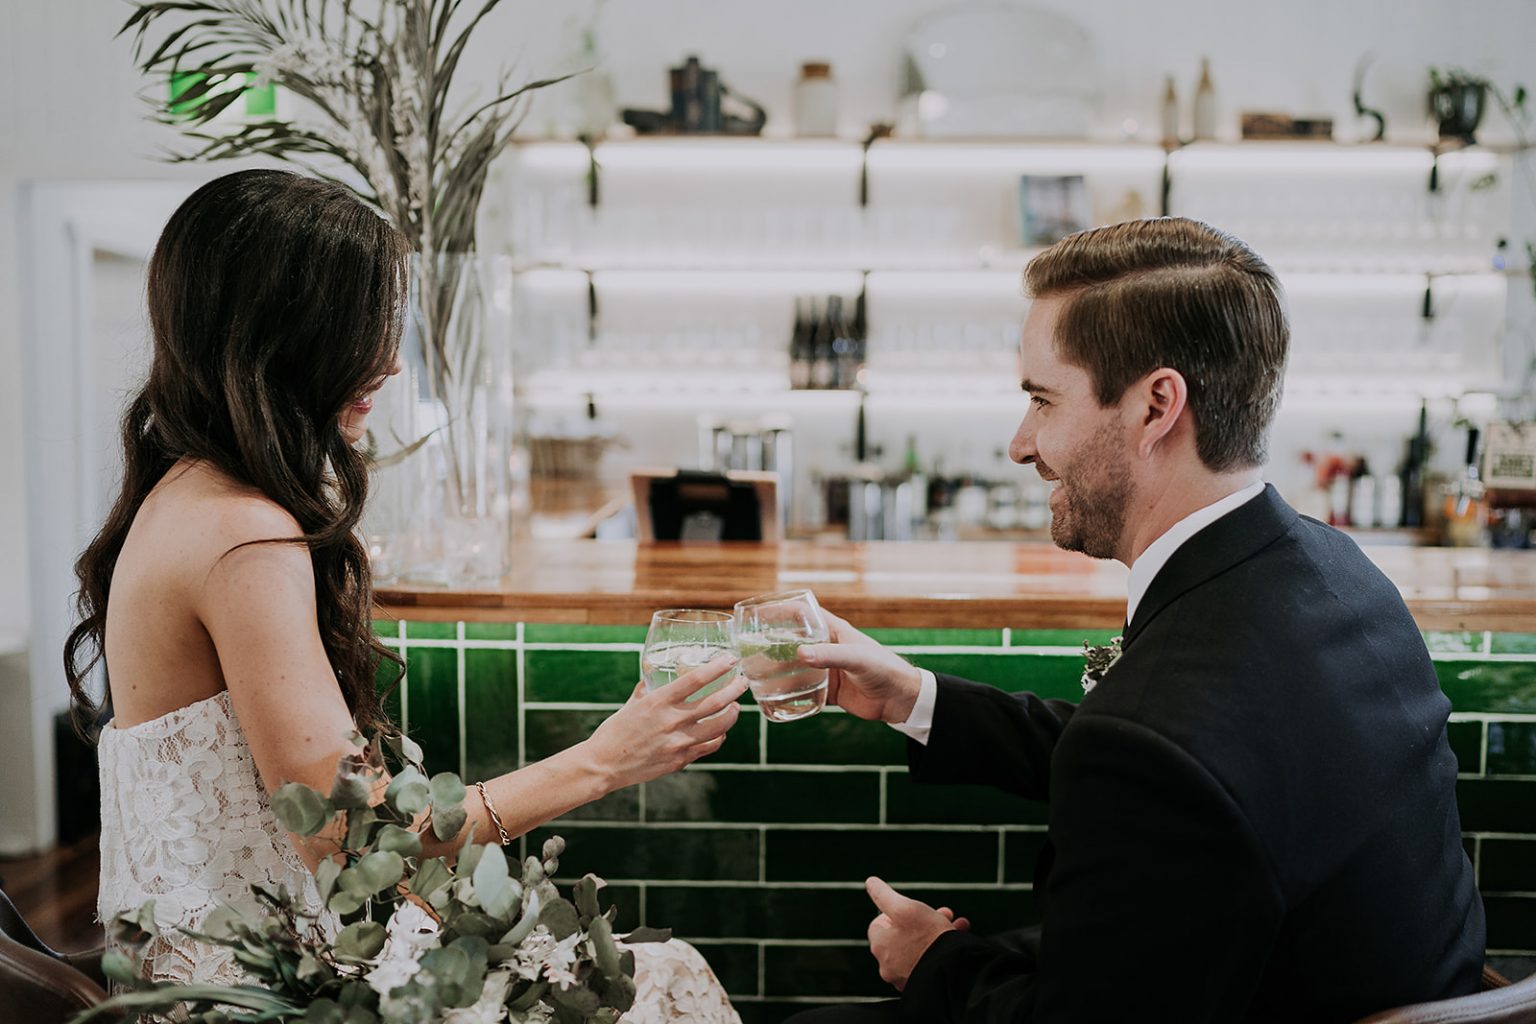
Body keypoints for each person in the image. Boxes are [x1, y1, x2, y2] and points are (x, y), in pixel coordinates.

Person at [65, 169, 746, 1022]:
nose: (387, 361)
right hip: (255, 995)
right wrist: (606, 759)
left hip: (203, 969)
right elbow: (353, 848)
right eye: (356, 330)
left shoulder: (185, 493)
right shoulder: (244, 534)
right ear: (275, 338)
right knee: (667, 980)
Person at [784, 217, 1484, 1023]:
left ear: (1156, 406)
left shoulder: (1156, 744)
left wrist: (934, 962)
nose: (1020, 445)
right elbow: (1191, 769)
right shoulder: (1332, 571)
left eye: (1042, 400)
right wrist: (912, 696)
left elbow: (1158, 767)